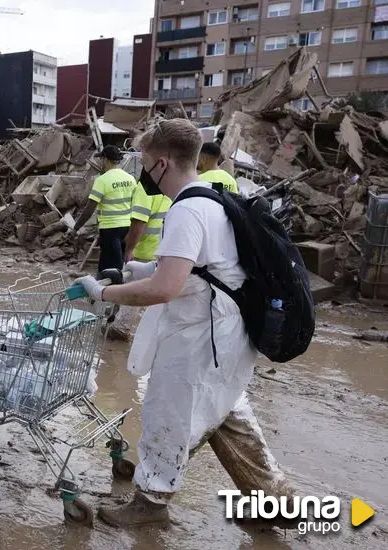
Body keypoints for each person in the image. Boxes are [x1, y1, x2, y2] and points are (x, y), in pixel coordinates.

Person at [75, 120, 295, 528]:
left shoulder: (187, 210)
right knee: (227, 413)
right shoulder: (213, 197)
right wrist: (136, 269)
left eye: (144, 162)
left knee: (170, 414)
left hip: (201, 337)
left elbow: (166, 288)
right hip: (226, 331)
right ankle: (276, 502)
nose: (143, 172)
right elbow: (197, 267)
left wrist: (101, 294)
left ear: (161, 162)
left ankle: (150, 503)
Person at [72, 145, 136, 272]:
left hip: (110, 228)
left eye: (101, 159)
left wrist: (76, 227)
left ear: (105, 159)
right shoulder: (130, 179)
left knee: (109, 267)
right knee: (119, 262)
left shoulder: (102, 180)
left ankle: (110, 289)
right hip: (127, 228)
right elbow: (135, 204)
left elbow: (89, 209)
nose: (100, 162)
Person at [125, 181, 172, 263]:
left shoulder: (146, 186)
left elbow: (139, 221)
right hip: (169, 253)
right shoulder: (175, 182)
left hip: (146, 254)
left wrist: (129, 249)